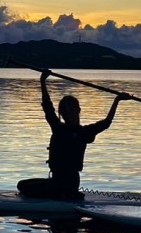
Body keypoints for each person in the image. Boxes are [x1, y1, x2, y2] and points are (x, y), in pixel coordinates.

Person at [16, 70, 131, 200]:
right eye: (64, 110)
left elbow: (106, 123)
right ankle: (59, 193)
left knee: (27, 188)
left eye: (71, 109)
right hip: (56, 180)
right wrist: (43, 81)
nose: (68, 113)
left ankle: (66, 194)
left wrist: (117, 100)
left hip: (69, 182)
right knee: (22, 184)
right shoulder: (58, 128)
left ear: (78, 110)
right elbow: (48, 107)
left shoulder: (84, 132)